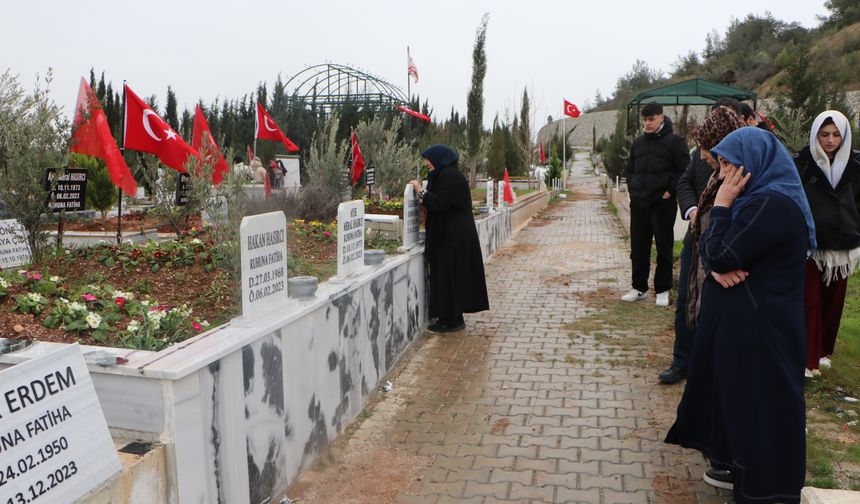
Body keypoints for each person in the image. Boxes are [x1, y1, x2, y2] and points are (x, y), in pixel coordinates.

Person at [665, 127, 816, 504]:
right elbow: (716, 254)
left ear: (754, 163)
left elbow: (718, 253)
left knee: (761, 411)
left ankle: (765, 492)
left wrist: (722, 205)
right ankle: (737, 469)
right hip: (747, 327)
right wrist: (717, 261)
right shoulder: (757, 199)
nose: (722, 175)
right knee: (740, 407)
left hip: (760, 330)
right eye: (722, 166)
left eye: (731, 166)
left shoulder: (769, 205)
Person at [658, 106, 745, 385]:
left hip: (723, 248)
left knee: (713, 309)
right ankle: (681, 361)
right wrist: (693, 209)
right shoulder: (700, 155)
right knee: (686, 302)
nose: (706, 156)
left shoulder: (740, 166)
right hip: (695, 241)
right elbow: (684, 181)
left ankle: (707, 366)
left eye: (709, 149)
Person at [794, 110, 860, 377]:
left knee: (833, 302)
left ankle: (821, 353)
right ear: (815, 135)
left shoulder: (856, 164)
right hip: (810, 244)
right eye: (824, 134)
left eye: (836, 134)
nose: (830, 140)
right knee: (810, 299)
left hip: (843, 244)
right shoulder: (801, 162)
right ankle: (807, 359)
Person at [410, 144, 489, 333]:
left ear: (438, 158)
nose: (426, 163)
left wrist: (420, 191)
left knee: (449, 277)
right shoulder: (442, 175)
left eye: (428, 158)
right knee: (448, 278)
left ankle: (451, 321)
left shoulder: (451, 177)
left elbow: (439, 204)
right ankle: (451, 317)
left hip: (455, 238)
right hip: (449, 236)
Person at [623, 102, 691, 306]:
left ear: (661, 117)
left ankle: (662, 289)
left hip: (662, 204)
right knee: (638, 248)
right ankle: (639, 287)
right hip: (639, 204)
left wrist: (669, 191)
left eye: (651, 119)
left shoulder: (676, 142)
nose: (647, 123)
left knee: (663, 247)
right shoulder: (638, 143)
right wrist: (633, 191)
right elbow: (630, 170)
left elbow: (683, 171)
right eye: (644, 120)